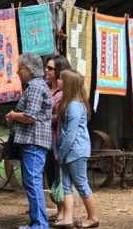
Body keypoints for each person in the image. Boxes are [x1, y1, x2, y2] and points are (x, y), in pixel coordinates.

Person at [5, 52, 52, 229]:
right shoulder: (37, 86)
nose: (18, 72)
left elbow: (30, 116)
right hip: (32, 141)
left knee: (33, 182)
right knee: (32, 182)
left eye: (20, 69)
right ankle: (37, 222)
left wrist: (13, 115)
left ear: (30, 69)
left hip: (33, 141)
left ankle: (40, 224)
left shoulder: (36, 87)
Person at [52, 69, 99, 229]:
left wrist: (61, 154)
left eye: (61, 79)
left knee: (81, 184)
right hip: (68, 152)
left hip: (76, 152)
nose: (57, 81)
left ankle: (93, 218)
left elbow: (70, 136)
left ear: (69, 84)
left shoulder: (74, 107)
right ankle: (67, 219)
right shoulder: (69, 104)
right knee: (66, 184)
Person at [43, 55, 71, 223]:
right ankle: (58, 210)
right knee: (50, 174)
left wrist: (44, 118)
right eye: (47, 68)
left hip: (57, 139)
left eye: (50, 68)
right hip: (43, 139)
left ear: (59, 71)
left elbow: (62, 116)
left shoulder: (65, 92)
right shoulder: (44, 88)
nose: (47, 71)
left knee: (60, 176)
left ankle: (62, 213)